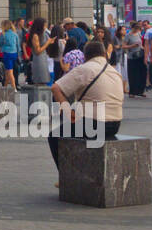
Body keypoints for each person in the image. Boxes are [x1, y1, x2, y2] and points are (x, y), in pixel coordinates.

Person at [47, 40, 124, 169]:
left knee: (54, 136)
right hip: (115, 124)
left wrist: (68, 111)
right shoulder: (114, 72)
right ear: (104, 54)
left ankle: (65, 175)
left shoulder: (85, 69)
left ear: (85, 56)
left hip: (93, 124)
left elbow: (55, 88)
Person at [0, 19, 20, 89]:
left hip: (7, 54)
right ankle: (5, 86)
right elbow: (18, 46)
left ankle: (14, 88)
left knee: (9, 72)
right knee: (7, 72)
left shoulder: (3, 34)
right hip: (14, 53)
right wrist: (19, 56)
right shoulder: (15, 34)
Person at [27, 18, 51, 85]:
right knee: (40, 79)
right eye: (44, 26)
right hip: (39, 59)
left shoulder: (44, 34)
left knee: (45, 79)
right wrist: (48, 43)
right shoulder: (35, 36)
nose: (45, 27)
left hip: (44, 57)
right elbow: (37, 51)